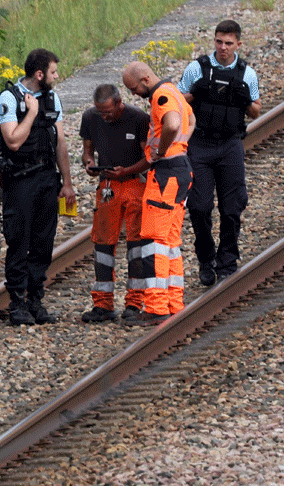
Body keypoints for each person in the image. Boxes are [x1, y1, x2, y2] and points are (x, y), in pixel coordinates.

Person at [0, 48, 76, 325]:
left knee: (43, 241)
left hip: (46, 177)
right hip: (20, 180)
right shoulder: (10, 99)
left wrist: (67, 183)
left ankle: (35, 299)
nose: (57, 76)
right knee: (19, 240)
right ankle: (17, 302)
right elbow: (13, 140)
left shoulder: (52, 97)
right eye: (53, 72)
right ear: (39, 74)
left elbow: (60, 142)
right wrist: (31, 113)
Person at [177, 20, 261, 286]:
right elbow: (176, 103)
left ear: (238, 44)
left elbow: (256, 110)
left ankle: (227, 260)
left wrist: (245, 99)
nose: (222, 48)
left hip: (230, 144)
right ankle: (206, 258)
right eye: (218, 42)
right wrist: (195, 94)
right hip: (199, 145)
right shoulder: (196, 68)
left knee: (232, 207)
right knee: (200, 207)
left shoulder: (247, 73)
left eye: (228, 43)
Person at [122, 61, 195, 325]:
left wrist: (162, 151)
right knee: (170, 241)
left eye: (133, 88)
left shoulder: (161, 95)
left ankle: (155, 307)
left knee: (154, 240)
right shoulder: (174, 91)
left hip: (166, 173)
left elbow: (173, 123)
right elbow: (191, 119)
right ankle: (174, 302)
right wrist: (180, 146)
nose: (133, 94)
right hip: (181, 169)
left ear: (144, 78)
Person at [78, 84, 150, 323]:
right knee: (102, 244)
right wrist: (89, 162)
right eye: (101, 112)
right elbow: (87, 151)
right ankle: (103, 304)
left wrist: (126, 170)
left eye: (108, 111)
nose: (105, 116)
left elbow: (149, 158)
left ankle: (134, 302)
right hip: (108, 186)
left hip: (133, 184)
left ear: (120, 103)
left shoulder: (139, 119)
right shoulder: (91, 117)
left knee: (136, 244)